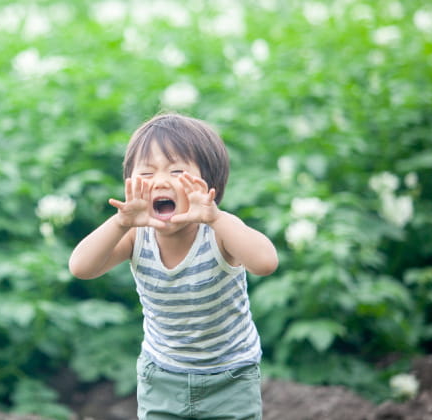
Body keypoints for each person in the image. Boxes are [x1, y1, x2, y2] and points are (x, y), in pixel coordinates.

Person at [68, 112, 278, 420]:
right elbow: (81, 267)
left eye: (177, 171)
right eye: (147, 174)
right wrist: (120, 221)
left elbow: (266, 263)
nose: (161, 181)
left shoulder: (219, 232)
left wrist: (216, 217)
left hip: (231, 377)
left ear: (209, 187)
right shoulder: (135, 235)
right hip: (162, 376)